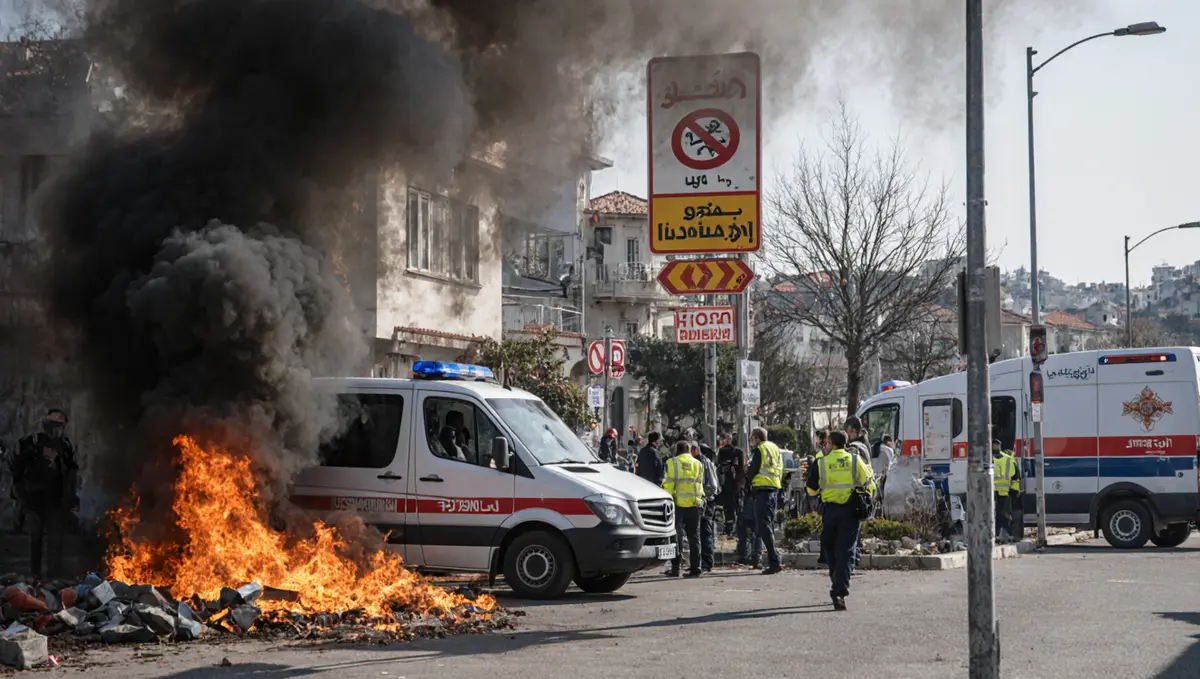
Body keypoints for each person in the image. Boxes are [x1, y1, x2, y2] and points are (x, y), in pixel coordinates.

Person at [807, 430, 876, 610]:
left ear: (830, 443)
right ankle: (840, 589)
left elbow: (811, 490)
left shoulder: (821, 462)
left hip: (830, 511)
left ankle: (836, 580)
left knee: (829, 547)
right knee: (846, 551)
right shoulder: (855, 460)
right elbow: (869, 484)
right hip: (850, 511)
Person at [12, 409, 78, 580]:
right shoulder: (31, 443)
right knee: (36, 542)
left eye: (58, 426)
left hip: (55, 502)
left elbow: (71, 473)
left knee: (55, 544)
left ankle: (53, 580)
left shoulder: (65, 446)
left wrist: (71, 497)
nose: (55, 430)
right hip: (34, 501)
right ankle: (35, 578)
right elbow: (16, 470)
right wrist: (20, 496)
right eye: (52, 425)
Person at [662, 440, 705, 578]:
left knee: (676, 537)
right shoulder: (698, 464)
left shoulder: (671, 463)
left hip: (677, 505)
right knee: (694, 537)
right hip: (695, 504)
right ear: (689, 449)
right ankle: (696, 568)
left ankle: (675, 567)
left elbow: (668, 485)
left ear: (677, 450)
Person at [745, 427, 783, 575]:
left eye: (752, 438)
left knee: (763, 527)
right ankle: (774, 559)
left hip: (762, 490)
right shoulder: (775, 448)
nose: (752, 442)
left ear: (757, 438)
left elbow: (753, 470)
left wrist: (747, 477)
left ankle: (775, 560)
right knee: (768, 525)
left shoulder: (760, 449)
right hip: (774, 488)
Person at [694, 441, 720, 572]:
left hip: (707, 502)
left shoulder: (705, 463)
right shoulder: (699, 462)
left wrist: (704, 497)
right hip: (700, 501)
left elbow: (713, 486)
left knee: (705, 531)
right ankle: (703, 562)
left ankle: (707, 562)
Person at [716, 432, 745, 535]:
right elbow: (741, 469)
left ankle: (730, 528)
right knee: (735, 507)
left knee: (730, 507)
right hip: (733, 484)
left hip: (729, 484)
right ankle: (733, 528)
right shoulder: (736, 452)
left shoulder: (726, 452)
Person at [992, 439, 1020, 540]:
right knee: (997, 514)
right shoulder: (1007, 459)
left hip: (1002, 492)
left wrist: (1015, 490)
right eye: (994, 444)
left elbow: (1016, 477)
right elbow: (1016, 476)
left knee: (1004, 514)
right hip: (993, 492)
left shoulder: (1008, 459)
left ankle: (1005, 533)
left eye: (996, 444)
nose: (995, 446)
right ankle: (998, 533)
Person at [873, 435, 896, 517]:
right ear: (888, 442)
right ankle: (884, 515)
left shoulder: (876, 447)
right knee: (883, 497)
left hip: (875, 475)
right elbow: (892, 464)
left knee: (876, 498)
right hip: (883, 476)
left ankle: (875, 515)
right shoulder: (889, 450)